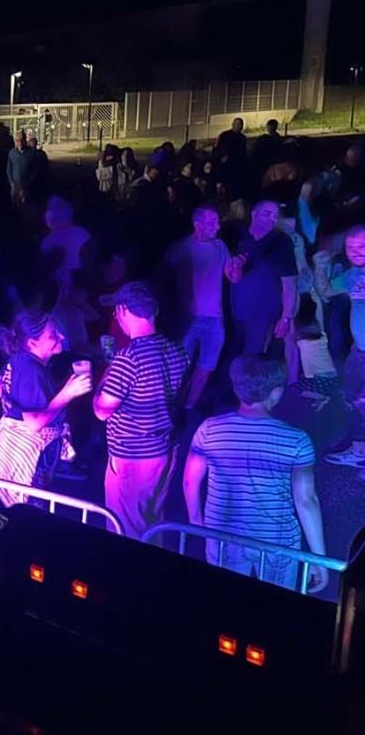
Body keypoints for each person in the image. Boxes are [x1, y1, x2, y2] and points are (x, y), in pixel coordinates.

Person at [183, 356, 327, 592]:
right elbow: (306, 500)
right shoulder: (297, 441)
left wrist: (197, 522)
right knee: (273, 607)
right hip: (276, 543)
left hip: (222, 536)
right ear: (277, 392)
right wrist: (318, 559)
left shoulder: (209, 429)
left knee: (225, 599)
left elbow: (191, 481)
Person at [93, 281, 189, 540]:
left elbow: (102, 410)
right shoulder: (177, 350)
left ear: (123, 310)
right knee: (152, 523)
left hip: (133, 456)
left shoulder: (128, 358)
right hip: (165, 449)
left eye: (115, 311)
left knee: (125, 531)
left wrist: (107, 374)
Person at [0, 312, 92, 507]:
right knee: (29, 517)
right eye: (53, 335)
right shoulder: (30, 370)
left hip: (12, 451)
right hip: (29, 459)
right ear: (32, 343)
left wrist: (14, 411)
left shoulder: (18, 360)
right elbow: (35, 423)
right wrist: (68, 393)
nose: (62, 337)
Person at [164, 206, 242, 410]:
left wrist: (237, 267)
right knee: (179, 368)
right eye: (211, 223)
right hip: (188, 320)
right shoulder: (182, 247)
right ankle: (172, 407)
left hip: (215, 319)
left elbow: (233, 278)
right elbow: (164, 277)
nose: (217, 226)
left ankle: (188, 408)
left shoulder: (220, 246)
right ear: (197, 224)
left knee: (206, 368)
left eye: (217, 222)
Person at [314, 225, 365, 469]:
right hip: (359, 351)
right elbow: (325, 290)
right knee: (351, 397)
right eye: (351, 247)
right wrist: (321, 267)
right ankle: (357, 443)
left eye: (363, 246)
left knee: (362, 401)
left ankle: (359, 452)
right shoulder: (354, 274)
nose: (357, 252)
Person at [232, 200, 297, 356]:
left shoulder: (282, 242)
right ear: (253, 214)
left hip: (263, 314)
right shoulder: (238, 235)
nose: (272, 219)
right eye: (267, 214)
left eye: (275, 216)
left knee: (252, 358)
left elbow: (289, 283)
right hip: (234, 312)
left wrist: (286, 317)